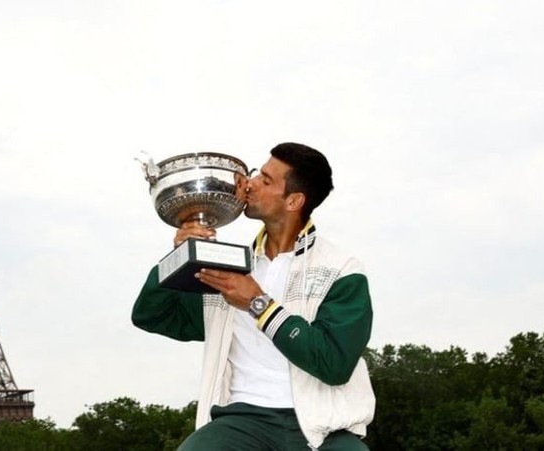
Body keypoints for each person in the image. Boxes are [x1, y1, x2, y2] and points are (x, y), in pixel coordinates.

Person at [132, 142, 375, 450]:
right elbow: (152, 315)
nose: (250, 183)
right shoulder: (225, 267)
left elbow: (335, 365)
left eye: (266, 180)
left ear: (294, 201)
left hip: (326, 428)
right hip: (242, 422)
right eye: (257, 173)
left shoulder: (341, 269)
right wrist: (178, 256)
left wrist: (259, 305)